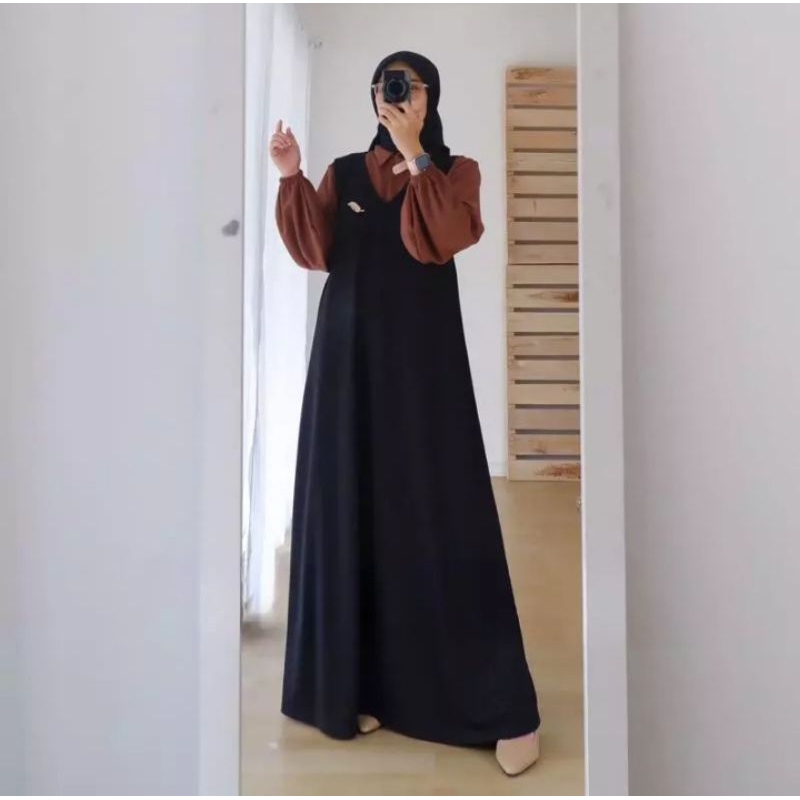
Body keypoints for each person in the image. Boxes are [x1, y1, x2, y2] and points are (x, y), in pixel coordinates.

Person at [270, 50, 541, 777]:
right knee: (354, 508)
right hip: (347, 365)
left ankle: (496, 705)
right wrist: (292, 175)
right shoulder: (345, 173)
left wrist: (418, 155)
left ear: (430, 96)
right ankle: (359, 686)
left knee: (442, 512)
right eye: (385, 86)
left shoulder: (456, 172)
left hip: (424, 372)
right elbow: (315, 249)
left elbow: (444, 237)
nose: (393, 95)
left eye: (406, 85)